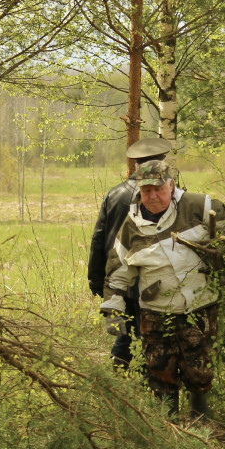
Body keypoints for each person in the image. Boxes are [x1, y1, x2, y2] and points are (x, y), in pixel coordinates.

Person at [99, 160, 225, 421]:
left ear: (171, 185)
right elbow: (117, 271)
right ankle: (168, 427)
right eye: (146, 191)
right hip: (155, 312)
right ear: (139, 191)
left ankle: (200, 422)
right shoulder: (131, 226)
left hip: (200, 307)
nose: (153, 196)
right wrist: (113, 311)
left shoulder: (197, 205)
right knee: (158, 370)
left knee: (199, 370)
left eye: (158, 189)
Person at [88, 137, 174, 369]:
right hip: (150, 278)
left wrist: (96, 279)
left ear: (136, 163)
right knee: (149, 333)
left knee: (126, 330)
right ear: (162, 162)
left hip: (116, 277)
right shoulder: (166, 196)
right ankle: (142, 375)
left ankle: (120, 371)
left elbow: (99, 239)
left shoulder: (115, 193)